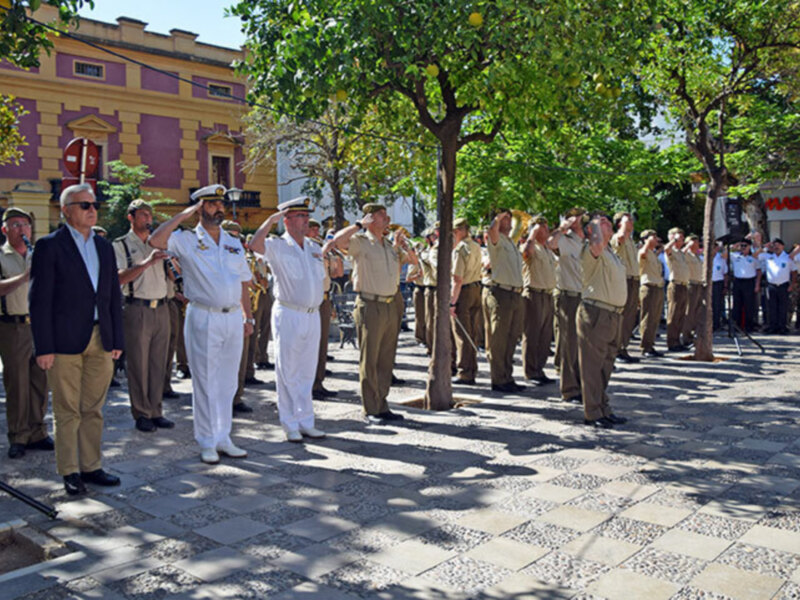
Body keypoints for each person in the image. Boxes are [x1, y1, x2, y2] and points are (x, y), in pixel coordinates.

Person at [30, 183, 123, 495]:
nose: (92, 209)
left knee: (93, 408)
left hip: (101, 338)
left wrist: (117, 339)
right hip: (64, 341)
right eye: (84, 205)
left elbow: (112, 296)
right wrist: (43, 347)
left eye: (93, 204)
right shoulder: (49, 246)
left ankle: (92, 466)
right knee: (67, 409)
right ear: (66, 210)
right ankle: (70, 470)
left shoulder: (103, 247)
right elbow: (39, 301)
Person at [149, 184, 253, 464]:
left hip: (232, 317)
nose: (218, 208)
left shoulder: (232, 242)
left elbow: (244, 281)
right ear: (199, 209)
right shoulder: (185, 239)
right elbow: (156, 241)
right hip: (203, 315)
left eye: (220, 204)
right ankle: (207, 440)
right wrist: (183, 215)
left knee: (228, 382)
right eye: (211, 204)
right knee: (206, 380)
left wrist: (249, 315)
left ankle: (224, 437)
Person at [250, 197, 327, 441]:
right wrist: (270, 220)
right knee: (288, 369)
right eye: (300, 216)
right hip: (289, 312)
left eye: (306, 216)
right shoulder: (276, 245)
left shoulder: (315, 248)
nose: (306, 221)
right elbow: (253, 244)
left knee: (307, 370)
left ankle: (306, 420)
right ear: (287, 220)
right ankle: (290, 423)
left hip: (312, 314)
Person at [332, 203, 409, 424]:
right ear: (370, 219)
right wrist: (357, 225)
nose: (387, 219)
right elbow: (338, 242)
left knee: (386, 359)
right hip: (370, 304)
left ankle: (382, 403)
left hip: (390, 304)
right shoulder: (361, 242)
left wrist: (399, 246)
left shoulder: (387, 245)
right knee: (370, 359)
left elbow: (406, 263)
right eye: (382, 216)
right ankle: (371, 408)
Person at [113, 199, 174, 433]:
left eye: (150, 215)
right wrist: (148, 262)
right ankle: (141, 412)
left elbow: (171, 277)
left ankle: (156, 410)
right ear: (131, 217)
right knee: (138, 363)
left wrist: (173, 264)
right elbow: (119, 278)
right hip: (136, 307)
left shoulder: (159, 242)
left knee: (159, 362)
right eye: (143, 215)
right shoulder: (120, 245)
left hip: (162, 307)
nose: (148, 219)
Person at [0, 208, 51, 459]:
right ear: (5, 230)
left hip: (39, 324)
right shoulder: (1, 256)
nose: (22, 229)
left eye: (26, 225)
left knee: (40, 381)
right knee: (17, 383)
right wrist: (24, 278)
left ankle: (38, 431)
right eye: (16, 224)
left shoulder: (37, 254)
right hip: (13, 326)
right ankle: (18, 435)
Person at [577, 212, 628, 429]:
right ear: (592, 229)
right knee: (592, 366)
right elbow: (596, 244)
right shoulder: (592, 249)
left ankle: (603, 407)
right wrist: (594, 223)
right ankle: (592, 412)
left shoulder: (612, 252)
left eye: (607, 221)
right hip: (596, 312)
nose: (606, 224)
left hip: (613, 314)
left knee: (606, 366)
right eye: (602, 222)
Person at [484, 208, 525, 393]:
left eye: (510, 218)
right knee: (498, 340)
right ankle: (498, 379)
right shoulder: (496, 239)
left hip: (515, 294)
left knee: (511, 339)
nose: (509, 222)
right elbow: (491, 231)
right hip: (501, 293)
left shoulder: (510, 242)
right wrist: (498, 217)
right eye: (506, 219)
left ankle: (507, 376)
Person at [549, 207, 586, 403]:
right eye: (575, 216)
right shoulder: (564, 239)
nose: (579, 220)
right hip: (569, 296)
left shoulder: (586, 242)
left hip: (586, 296)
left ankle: (582, 385)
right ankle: (569, 389)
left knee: (584, 345)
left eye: (581, 217)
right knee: (569, 344)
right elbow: (550, 243)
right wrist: (562, 228)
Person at [309, 221, 343, 400]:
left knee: (322, 344)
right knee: (312, 345)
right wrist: (324, 251)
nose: (315, 231)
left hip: (325, 298)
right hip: (312, 299)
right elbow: (311, 268)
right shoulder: (307, 249)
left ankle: (318, 382)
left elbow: (337, 274)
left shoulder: (320, 248)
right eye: (312, 228)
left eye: (316, 229)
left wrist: (334, 257)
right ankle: (310, 384)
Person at [521, 216, 556, 385]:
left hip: (548, 294)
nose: (546, 229)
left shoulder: (547, 249)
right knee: (532, 334)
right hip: (534, 294)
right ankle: (530, 371)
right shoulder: (531, 245)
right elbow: (526, 254)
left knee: (545, 336)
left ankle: (539, 369)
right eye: (542, 227)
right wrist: (532, 235)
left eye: (546, 226)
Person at [450, 217, 482, 385]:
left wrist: (452, 302)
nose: (454, 235)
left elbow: (457, 279)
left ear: (461, 231)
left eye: (455, 232)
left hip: (464, 292)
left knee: (461, 334)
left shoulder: (460, 249)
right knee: (472, 334)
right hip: (476, 289)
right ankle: (472, 369)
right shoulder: (476, 246)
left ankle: (465, 372)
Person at [610, 212, 640, 363]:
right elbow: (620, 238)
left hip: (634, 280)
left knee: (630, 316)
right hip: (624, 279)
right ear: (619, 223)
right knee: (622, 316)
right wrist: (625, 227)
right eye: (628, 220)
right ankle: (616, 350)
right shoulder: (618, 237)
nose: (631, 222)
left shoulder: (631, 241)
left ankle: (623, 347)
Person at [758, 238, 796, 334]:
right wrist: (764, 247)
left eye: (778, 245)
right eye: (774, 245)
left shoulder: (788, 258)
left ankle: (782, 327)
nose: (776, 247)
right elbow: (756, 255)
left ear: (783, 246)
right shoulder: (768, 257)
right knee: (772, 307)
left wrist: (792, 284)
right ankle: (772, 326)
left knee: (783, 307)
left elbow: (794, 272)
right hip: (771, 285)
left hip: (783, 285)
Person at [638, 229, 665, 357]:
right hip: (649, 287)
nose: (656, 240)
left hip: (658, 286)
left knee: (655, 318)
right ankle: (645, 347)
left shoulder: (654, 254)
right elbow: (642, 255)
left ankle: (650, 344)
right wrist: (647, 244)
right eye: (653, 237)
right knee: (647, 318)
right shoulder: (644, 252)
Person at [664, 227, 690, 351]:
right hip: (675, 285)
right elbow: (666, 249)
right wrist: (673, 239)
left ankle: (677, 340)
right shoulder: (672, 250)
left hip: (684, 285)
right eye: (680, 238)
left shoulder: (680, 252)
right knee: (673, 314)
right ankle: (671, 342)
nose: (682, 240)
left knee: (681, 315)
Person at [731, 239, 760, 332]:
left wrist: (757, 285)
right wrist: (735, 245)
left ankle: (749, 326)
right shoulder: (735, 256)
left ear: (749, 247)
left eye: (745, 246)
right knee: (737, 304)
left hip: (749, 282)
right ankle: (737, 325)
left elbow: (759, 271)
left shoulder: (754, 258)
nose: (743, 247)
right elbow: (723, 254)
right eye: (742, 245)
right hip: (738, 281)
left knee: (749, 305)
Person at [711, 243, 728, 331]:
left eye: (715, 247)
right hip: (708, 284)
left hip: (718, 283)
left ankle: (716, 324)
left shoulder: (721, 259)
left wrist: (725, 286)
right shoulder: (703, 257)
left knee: (717, 304)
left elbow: (725, 273)